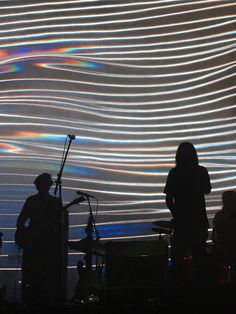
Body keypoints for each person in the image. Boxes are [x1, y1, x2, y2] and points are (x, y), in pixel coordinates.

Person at [164, 142, 212, 285]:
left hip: (181, 223)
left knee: (177, 260)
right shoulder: (201, 171)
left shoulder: (174, 173)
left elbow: (168, 199)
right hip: (199, 220)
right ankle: (200, 291)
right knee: (199, 257)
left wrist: (176, 213)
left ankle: (176, 292)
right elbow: (207, 189)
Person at [15, 173, 64, 308]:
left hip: (47, 246)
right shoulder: (32, 201)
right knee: (31, 275)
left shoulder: (55, 202)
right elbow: (20, 221)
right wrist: (25, 235)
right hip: (34, 244)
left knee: (46, 276)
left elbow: (60, 225)